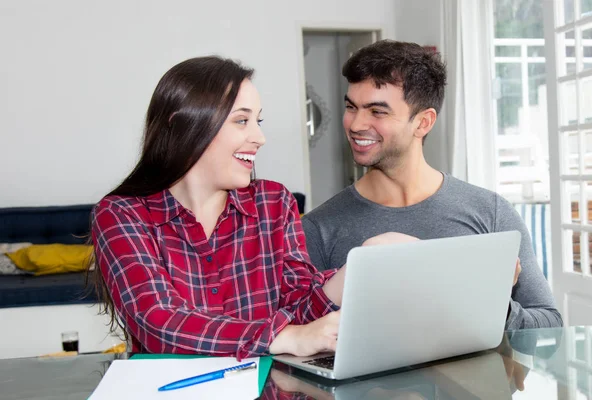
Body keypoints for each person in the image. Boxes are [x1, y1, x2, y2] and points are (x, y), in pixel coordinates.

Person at [90, 56, 343, 360]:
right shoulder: (121, 214)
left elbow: (300, 312)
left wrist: (350, 276)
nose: (260, 138)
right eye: (241, 120)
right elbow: (157, 321)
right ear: (183, 125)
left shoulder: (275, 203)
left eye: (257, 121)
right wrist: (282, 336)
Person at [301, 40, 562, 330]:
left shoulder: (490, 212)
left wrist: (488, 302)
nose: (356, 123)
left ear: (423, 122)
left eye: (377, 111)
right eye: (351, 107)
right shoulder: (318, 228)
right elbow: (295, 333)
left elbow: (549, 328)